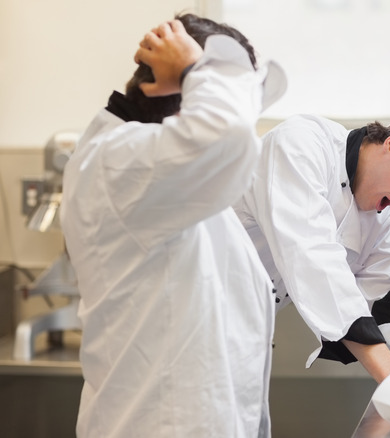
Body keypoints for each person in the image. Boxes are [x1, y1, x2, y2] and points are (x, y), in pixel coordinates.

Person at [60, 14, 285, 437]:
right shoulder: (115, 164)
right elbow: (228, 138)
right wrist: (192, 67)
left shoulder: (166, 180)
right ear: (177, 86)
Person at [233, 104, 390, 382]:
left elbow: (388, 326)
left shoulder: (382, 220)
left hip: (249, 331)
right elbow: (312, 260)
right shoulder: (302, 144)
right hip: (192, 301)